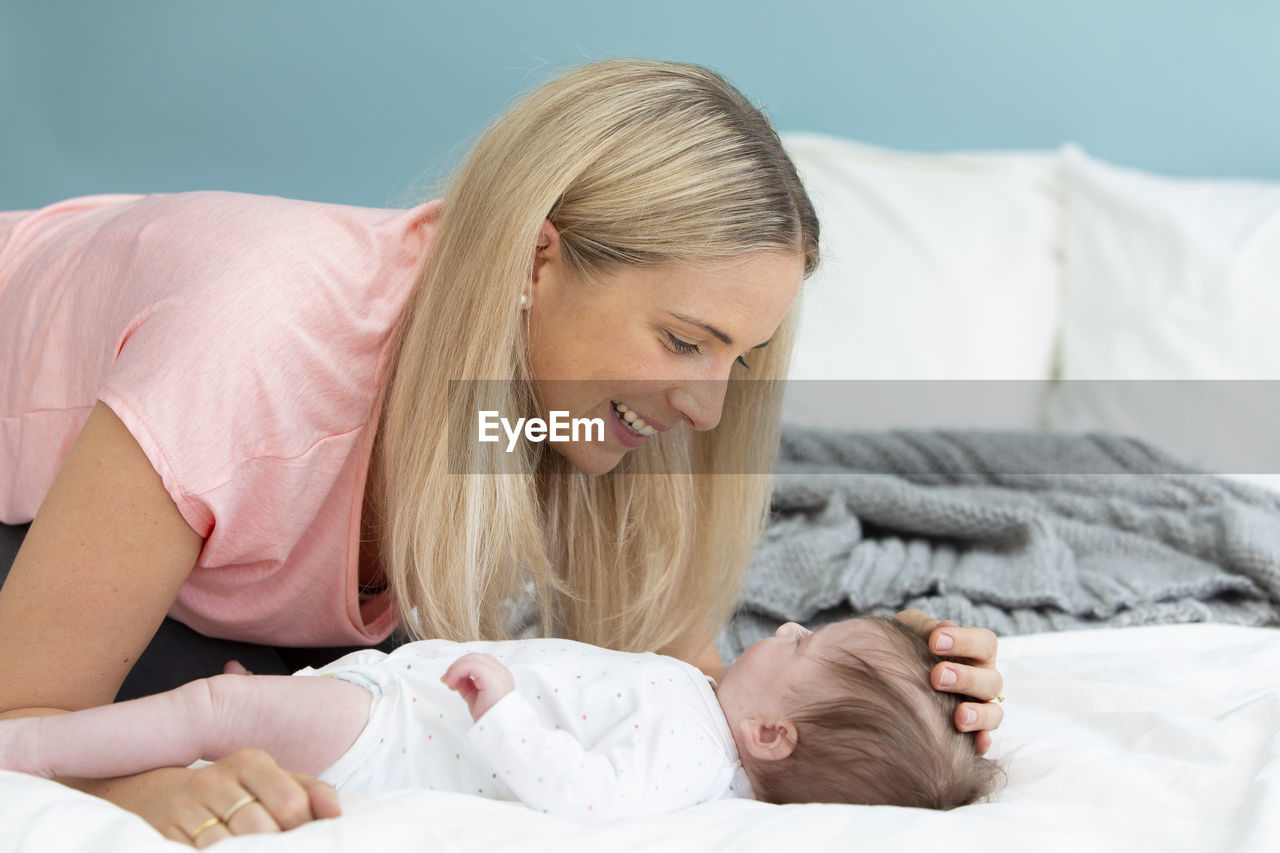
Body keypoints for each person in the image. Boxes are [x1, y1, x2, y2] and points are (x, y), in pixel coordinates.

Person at [0, 59, 1004, 844]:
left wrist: (894, 693)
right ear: (537, 259)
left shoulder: (532, 413)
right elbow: (22, 712)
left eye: (736, 360)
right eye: (683, 341)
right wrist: (135, 789)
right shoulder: (251, 356)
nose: (706, 408)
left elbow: (680, 683)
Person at [0, 616, 1000, 835]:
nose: (783, 623)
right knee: (233, 707)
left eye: (802, 641)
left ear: (773, 738)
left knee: (224, 708)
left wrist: (504, 707)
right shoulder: (699, 701)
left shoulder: (693, 749)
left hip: (399, 729)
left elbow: (593, 800)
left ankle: (29, 746)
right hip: (394, 695)